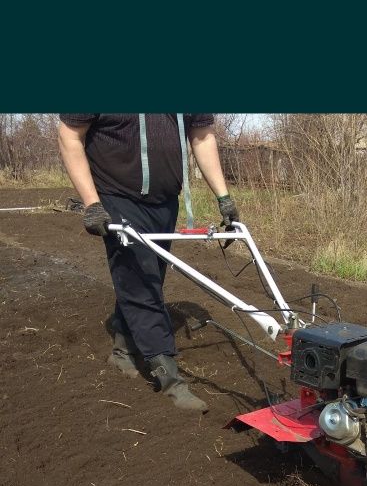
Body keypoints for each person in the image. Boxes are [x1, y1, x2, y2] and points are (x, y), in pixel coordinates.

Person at [58, 114, 239, 412]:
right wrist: (92, 204)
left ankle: (122, 350)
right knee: (142, 282)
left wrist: (224, 199)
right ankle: (169, 377)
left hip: (165, 201)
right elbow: (70, 136)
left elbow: (202, 136)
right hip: (115, 196)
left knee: (145, 275)